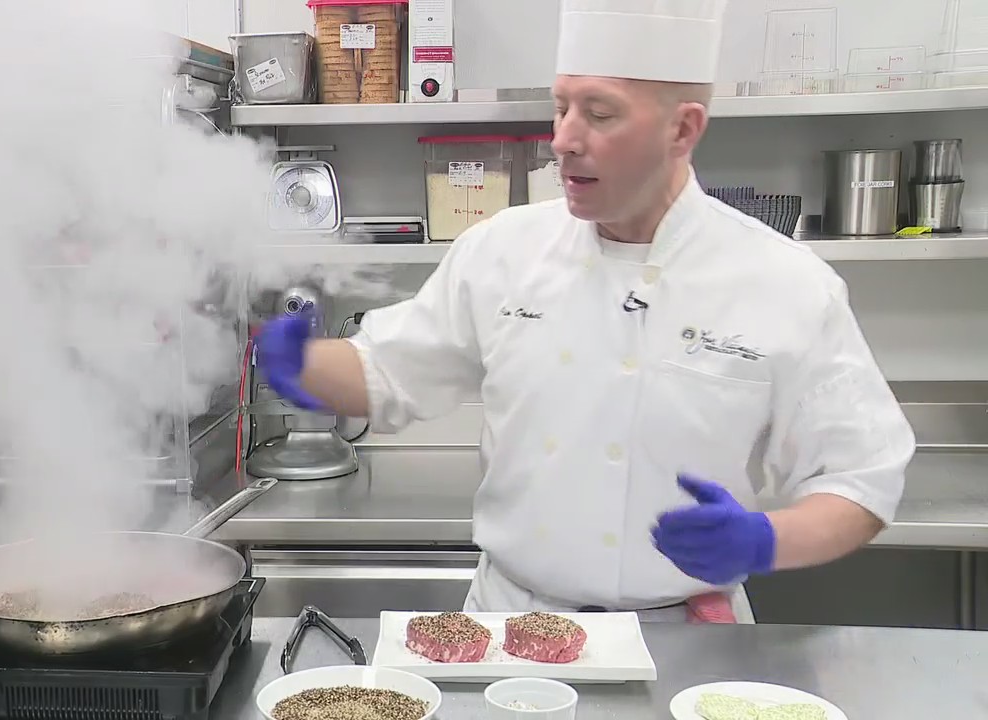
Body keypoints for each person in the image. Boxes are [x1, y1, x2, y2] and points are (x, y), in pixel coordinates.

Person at [255, 0, 915, 620]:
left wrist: (764, 541)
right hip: (511, 624)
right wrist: (299, 362)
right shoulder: (503, 250)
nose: (564, 140)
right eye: (562, 107)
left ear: (683, 128)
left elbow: (861, 481)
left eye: (600, 114)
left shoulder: (784, 282)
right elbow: (389, 371)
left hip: (686, 633)